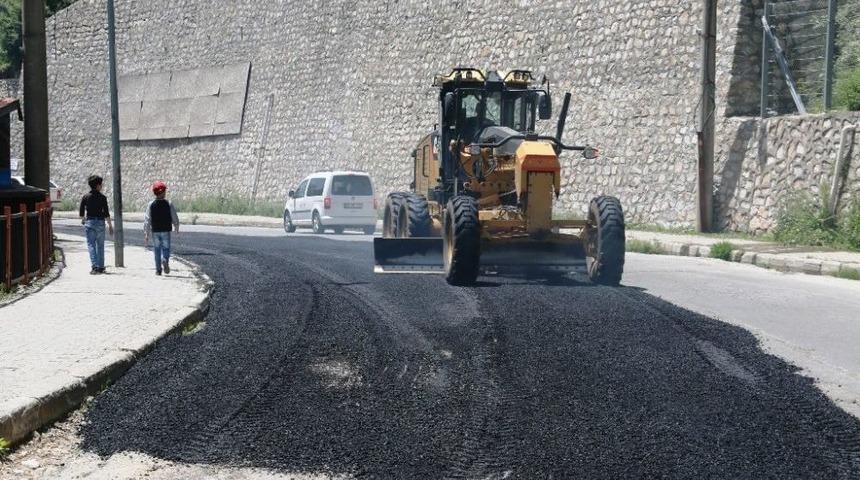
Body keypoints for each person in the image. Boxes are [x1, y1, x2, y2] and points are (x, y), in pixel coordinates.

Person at [78, 175, 114, 275]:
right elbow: (106, 213)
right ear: (97, 185)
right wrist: (110, 225)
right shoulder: (103, 198)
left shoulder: (85, 197)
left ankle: (94, 267)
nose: (102, 186)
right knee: (101, 245)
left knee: (91, 245)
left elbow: (81, 213)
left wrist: (83, 220)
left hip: (90, 223)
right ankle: (101, 267)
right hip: (100, 223)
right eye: (101, 184)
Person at [143, 181, 180, 276]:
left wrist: (146, 233)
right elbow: (174, 216)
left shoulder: (151, 204)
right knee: (166, 248)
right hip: (166, 231)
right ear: (163, 192)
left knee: (157, 250)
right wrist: (176, 226)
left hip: (155, 231)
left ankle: (158, 270)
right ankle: (165, 259)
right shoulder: (168, 203)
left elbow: (147, 219)